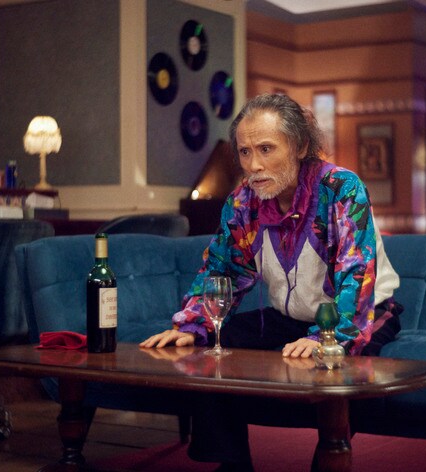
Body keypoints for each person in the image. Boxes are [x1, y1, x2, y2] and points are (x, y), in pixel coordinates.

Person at [141, 93, 401, 470]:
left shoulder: (342, 189)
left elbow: (356, 278)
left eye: (266, 149)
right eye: (245, 152)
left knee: (341, 366)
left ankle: (330, 456)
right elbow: (222, 270)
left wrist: (325, 339)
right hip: (289, 318)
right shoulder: (242, 202)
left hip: (361, 314)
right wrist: (194, 324)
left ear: (301, 146)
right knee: (210, 348)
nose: (254, 165)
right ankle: (231, 463)